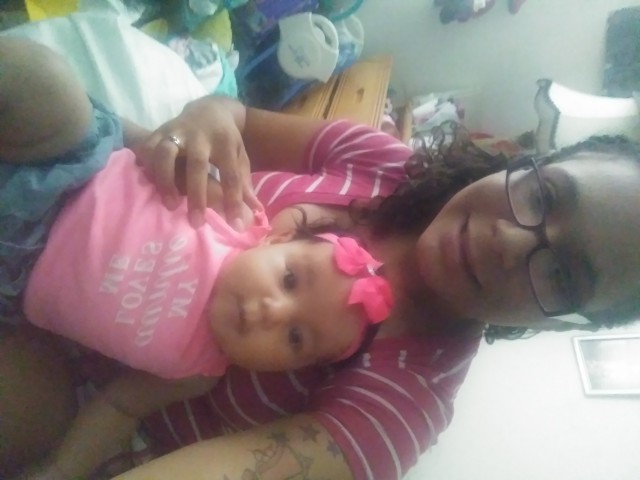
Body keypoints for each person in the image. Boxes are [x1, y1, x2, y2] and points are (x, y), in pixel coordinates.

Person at [2, 36, 639, 480]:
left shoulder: (399, 407)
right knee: (31, 79)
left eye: (563, 274)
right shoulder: (384, 160)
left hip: (69, 370)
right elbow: (233, 118)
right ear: (532, 159)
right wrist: (201, 119)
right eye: (545, 195)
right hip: (92, 195)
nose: (510, 240)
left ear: (561, 321)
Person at [0, 37, 392, 480]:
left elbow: (119, 405)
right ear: (273, 240)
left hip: (13, 285)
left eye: (296, 337)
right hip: (67, 168)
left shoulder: (197, 372)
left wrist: (61, 469)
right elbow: (156, 154)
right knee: (45, 82)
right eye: (289, 280)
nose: (273, 311)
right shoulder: (235, 215)